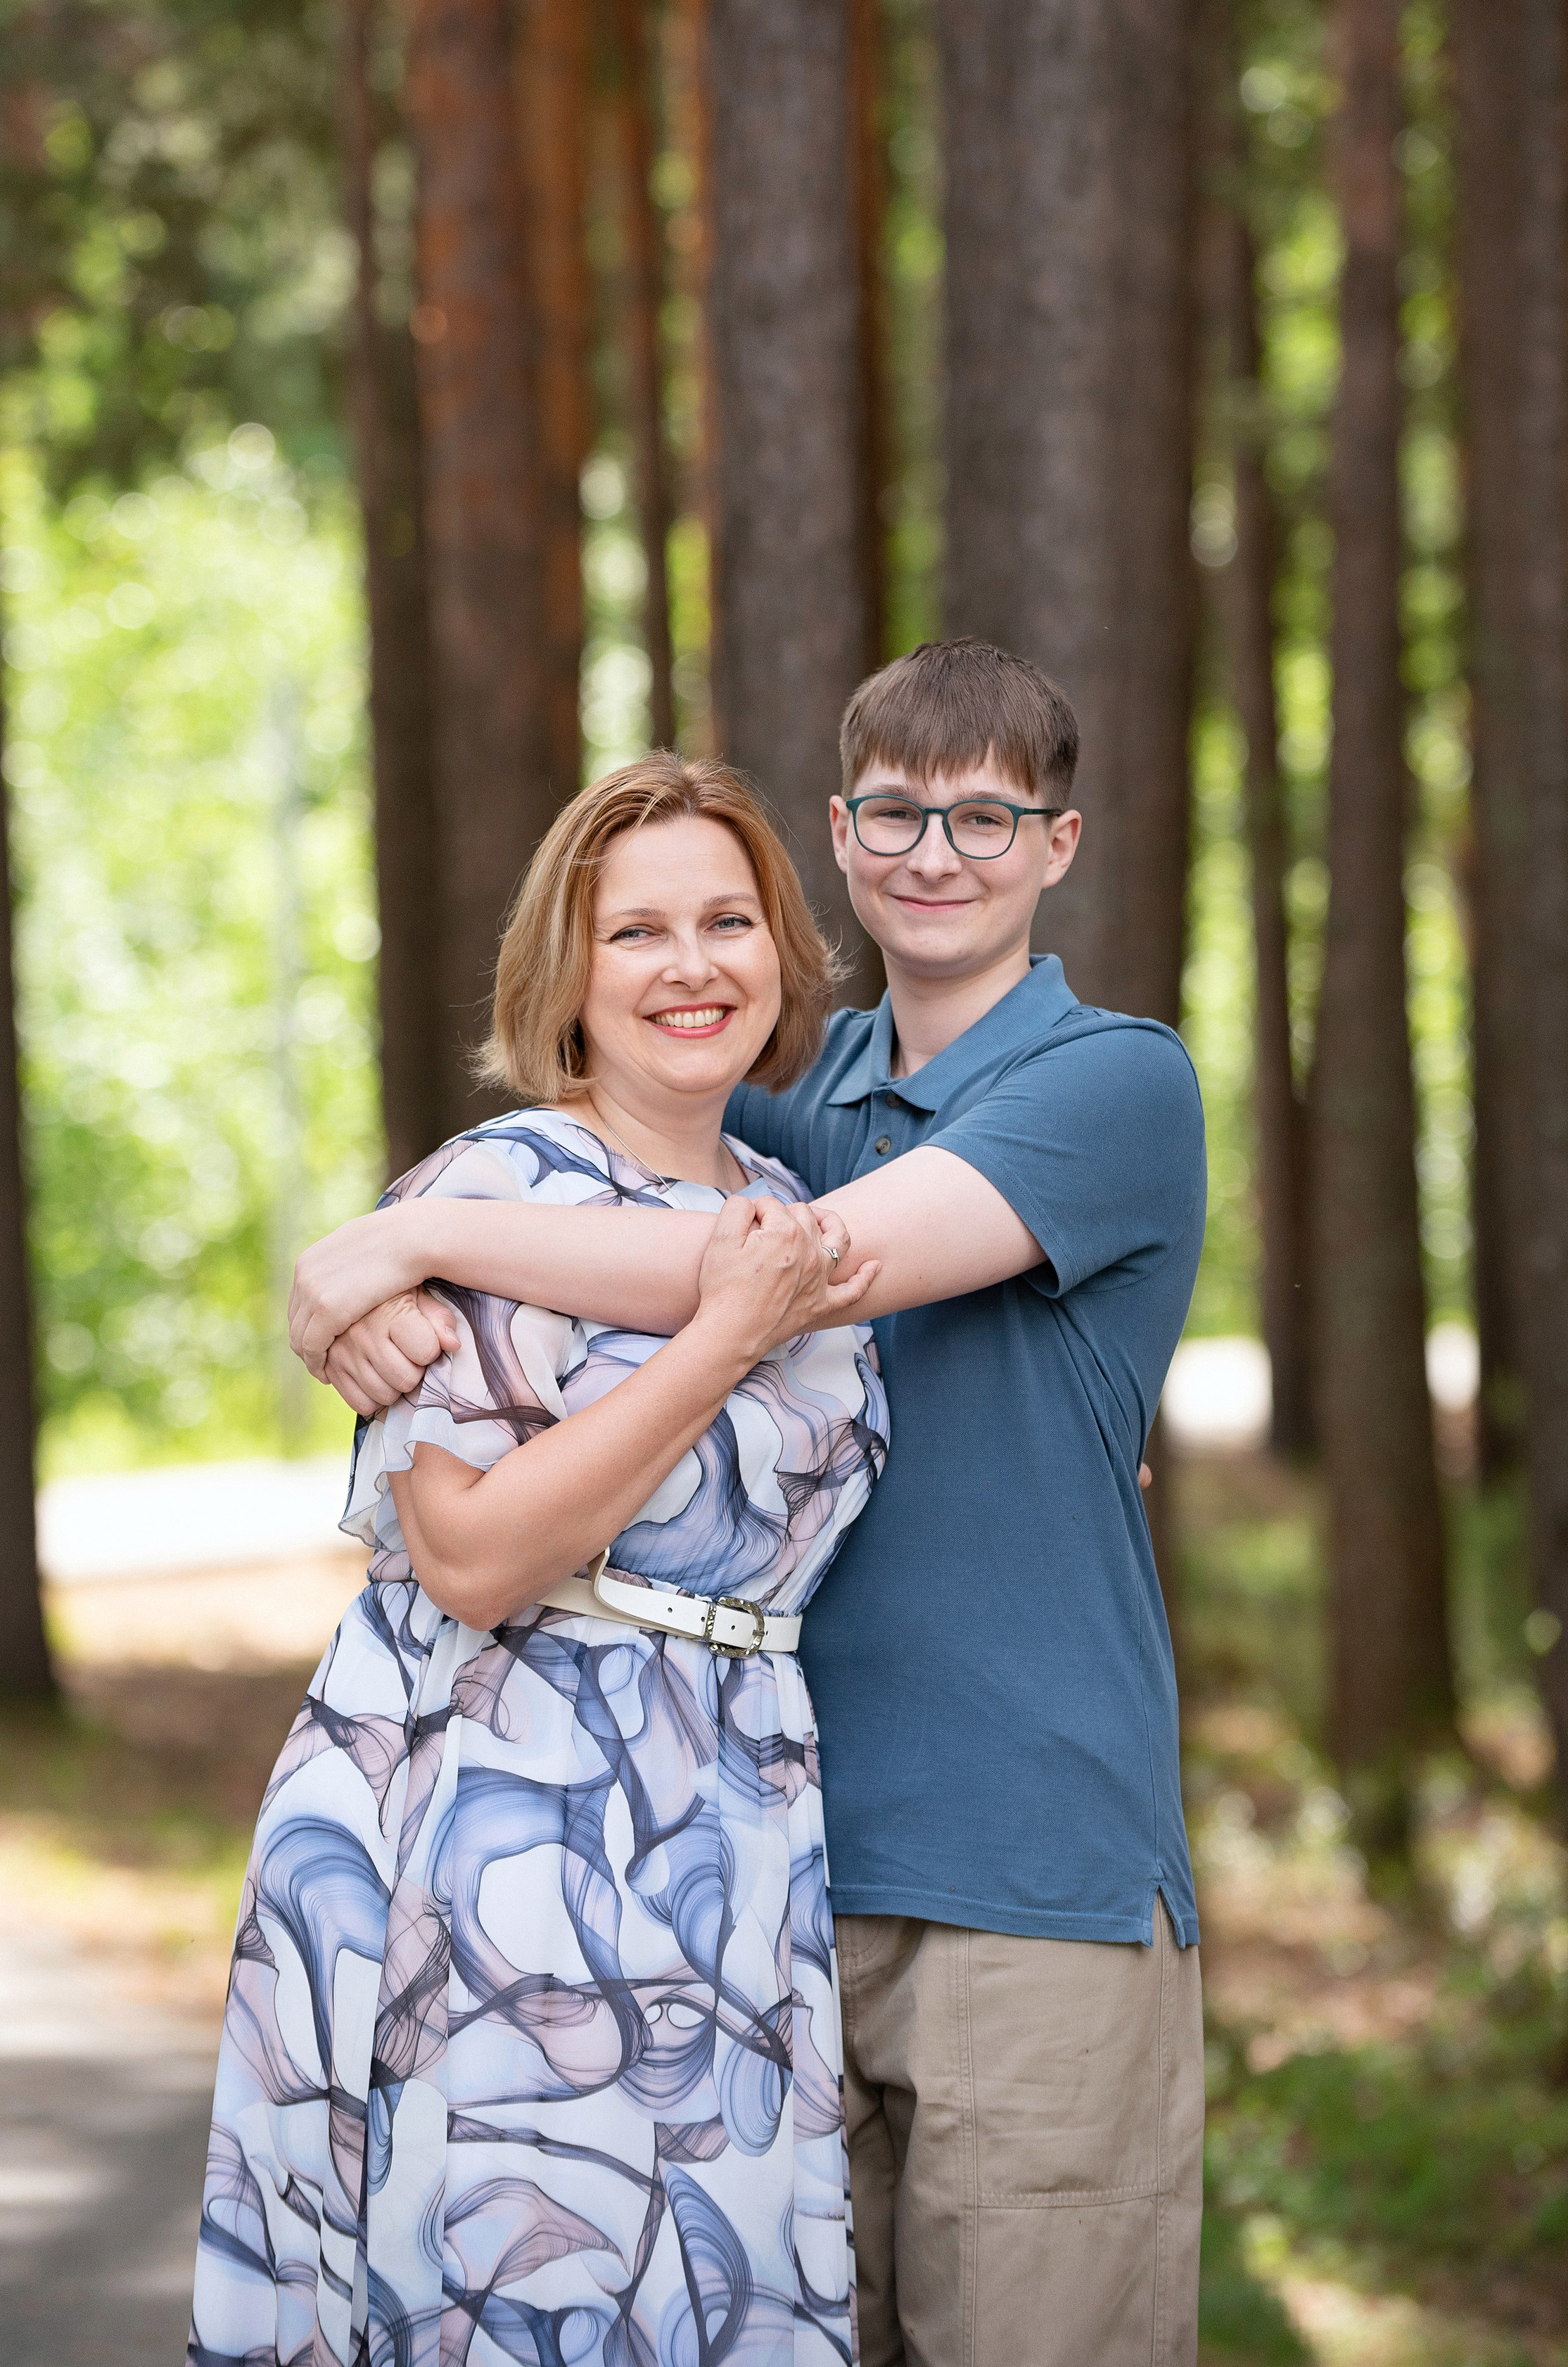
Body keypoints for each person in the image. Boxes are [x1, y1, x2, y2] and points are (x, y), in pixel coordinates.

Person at [294, 639, 1210, 2367]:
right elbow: (615, 1163)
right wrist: (344, 1305)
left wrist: (400, 1239)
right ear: (843, 842)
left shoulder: (1112, 1082)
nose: (935, 853)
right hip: (749, 1886)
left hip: (1025, 1876)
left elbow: (793, 1272)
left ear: (1058, 843)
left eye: (984, 817)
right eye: (893, 814)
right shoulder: (786, 1108)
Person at [189, 756, 888, 2367]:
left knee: (705, 2295)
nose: (690, 963)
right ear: (566, 973)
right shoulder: (484, 1190)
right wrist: (717, 1340)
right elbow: (473, 1554)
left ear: (782, 949)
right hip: (509, 1815)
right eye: (636, 930)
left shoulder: (790, 1210)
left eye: (728, 920)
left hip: (739, 1828)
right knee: (530, 2287)